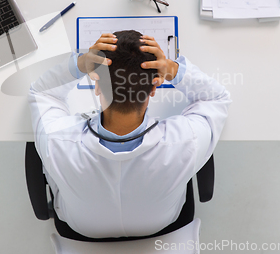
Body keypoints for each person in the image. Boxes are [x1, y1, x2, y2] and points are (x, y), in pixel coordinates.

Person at [28, 30, 231, 240]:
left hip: (83, 228)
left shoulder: (57, 141)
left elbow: (42, 93)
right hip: (159, 225)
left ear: (96, 85)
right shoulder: (186, 141)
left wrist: (81, 64)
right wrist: (172, 69)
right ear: (154, 88)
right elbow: (215, 98)